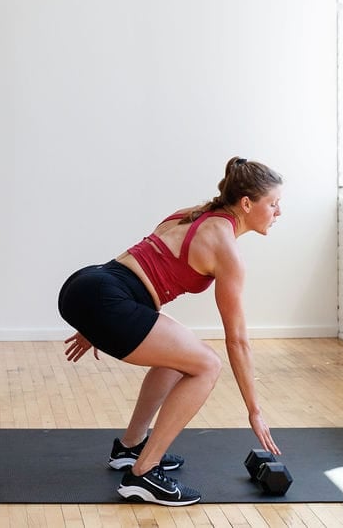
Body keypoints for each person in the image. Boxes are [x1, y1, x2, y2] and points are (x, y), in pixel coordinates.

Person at [59, 157, 283, 506]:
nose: (278, 212)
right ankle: (143, 475)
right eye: (273, 204)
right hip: (105, 298)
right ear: (246, 204)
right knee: (207, 365)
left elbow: (143, 273)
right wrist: (254, 409)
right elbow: (237, 340)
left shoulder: (192, 214)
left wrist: (93, 322)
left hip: (88, 284)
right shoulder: (226, 250)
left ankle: (131, 449)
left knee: (181, 354)